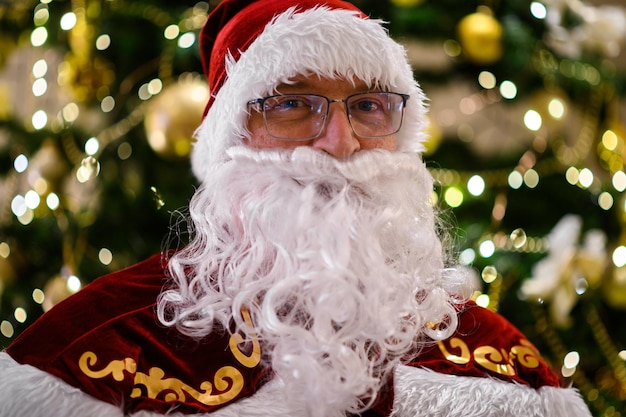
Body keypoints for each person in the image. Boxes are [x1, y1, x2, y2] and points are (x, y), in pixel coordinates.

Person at [0, 1, 592, 416]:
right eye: (293, 106)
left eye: (368, 106)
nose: (340, 143)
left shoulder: (507, 374)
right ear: (233, 137)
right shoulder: (95, 354)